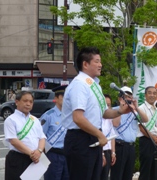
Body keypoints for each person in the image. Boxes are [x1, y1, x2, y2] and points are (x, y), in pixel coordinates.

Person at [61, 47, 133, 180]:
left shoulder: (95, 85)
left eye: (100, 61)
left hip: (93, 138)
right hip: (80, 139)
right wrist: (99, 134)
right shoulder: (79, 85)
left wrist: (120, 111)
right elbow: (77, 118)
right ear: (85, 64)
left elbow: (104, 113)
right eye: (97, 61)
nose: (101, 65)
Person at [4, 91, 46, 180]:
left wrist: (39, 151)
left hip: (34, 158)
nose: (28, 104)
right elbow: (13, 141)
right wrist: (32, 154)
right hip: (18, 159)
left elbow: (42, 138)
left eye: (31, 102)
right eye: (25, 101)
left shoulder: (35, 120)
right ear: (17, 102)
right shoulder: (11, 119)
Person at [110, 86, 148, 180]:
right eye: (125, 96)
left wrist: (136, 107)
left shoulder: (134, 111)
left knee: (128, 175)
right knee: (117, 175)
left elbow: (145, 119)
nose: (128, 99)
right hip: (119, 145)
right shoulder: (115, 110)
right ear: (120, 98)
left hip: (131, 147)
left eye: (130, 96)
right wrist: (121, 108)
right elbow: (115, 124)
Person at [40, 85, 69, 180]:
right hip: (53, 155)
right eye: (63, 96)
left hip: (68, 155)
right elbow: (40, 136)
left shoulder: (71, 115)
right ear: (56, 98)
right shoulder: (48, 116)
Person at [137, 86, 157, 180]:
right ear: (145, 95)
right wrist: (154, 138)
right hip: (146, 141)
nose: (152, 95)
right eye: (149, 93)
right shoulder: (141, 108)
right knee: (146, 170)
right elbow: (141, 127)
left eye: (154, 93)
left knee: (155, 171)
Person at [101, 94, 116, 180]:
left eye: (109, 105)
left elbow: (112, 136)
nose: (107, 107)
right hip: (99, 152)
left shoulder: (109, 119)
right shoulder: (97, 118)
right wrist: (101, 153)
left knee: (105, 176)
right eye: (105, 104)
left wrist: (113, 152)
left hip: (108, 152)